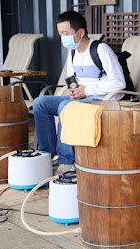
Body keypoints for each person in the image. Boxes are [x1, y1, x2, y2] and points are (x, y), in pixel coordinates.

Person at [33, 11, 126, 174]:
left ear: (80, 32)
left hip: (102, 100)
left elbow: (119, 82)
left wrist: (87, 90)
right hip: (82, 98)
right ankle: (47, 155)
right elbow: (71, 78)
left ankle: (67, 162)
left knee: (66, 107)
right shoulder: (73, 52)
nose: (63, 38)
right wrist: (73, 90)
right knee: (40, 103)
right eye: (60, 34)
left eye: (65, 33)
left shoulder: (101, 49)